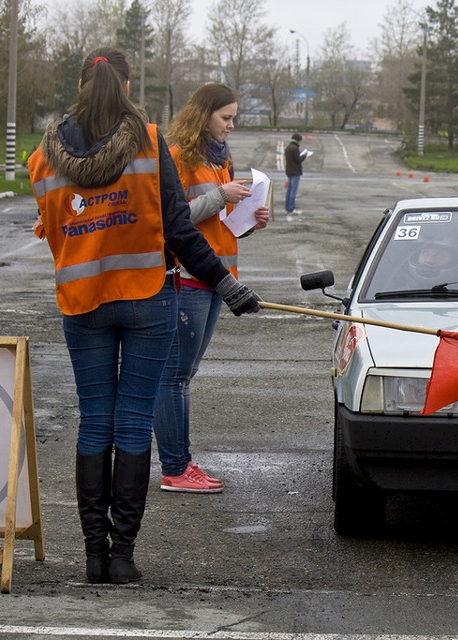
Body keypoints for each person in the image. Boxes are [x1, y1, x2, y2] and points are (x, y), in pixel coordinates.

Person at [27, 47, 261, 585]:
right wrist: (227, 285)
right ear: (127, 86)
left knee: (94, 421)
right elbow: (179, 230)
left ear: (82, 85)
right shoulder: (150, 143)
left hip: (82, 303)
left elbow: (49, 228)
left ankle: (94, 556)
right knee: (133, 421)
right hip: (148, 299)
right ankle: (122, 557)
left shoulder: (43, 156)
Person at [152, 83, 269, 494]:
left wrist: (250, 221)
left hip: (218, 279)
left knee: (183, 376)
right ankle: (175, 468)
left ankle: (181, 463)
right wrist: (221, 196)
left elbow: (220, 226)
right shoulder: (177, 157)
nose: (232, 125)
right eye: (226, 117)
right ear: (204, 116)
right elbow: (172, 220)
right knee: (174, 377)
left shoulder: (221, 158)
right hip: (188, 277)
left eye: (234, 117)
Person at [284, 132, 308, 215]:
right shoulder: (295, 148)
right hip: (295, 171)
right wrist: (304, 155)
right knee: (293, 191)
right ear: (298, 140)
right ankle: (292, 208)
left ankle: (287, 207)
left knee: (289, 190)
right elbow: (298, 160)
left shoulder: (288, 147)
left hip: (289, 171)